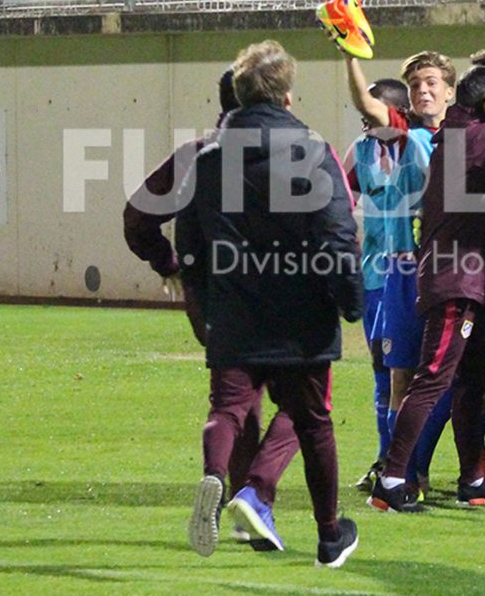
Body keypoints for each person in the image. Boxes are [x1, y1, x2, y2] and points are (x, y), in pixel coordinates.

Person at [176, 40, 362, 567]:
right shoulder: (311, 150)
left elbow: (188, 242)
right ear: (286, 94)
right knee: (312, 423)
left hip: (235, 311)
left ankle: (215, 476)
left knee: (228, 410)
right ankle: (330, 534)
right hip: (302, 317)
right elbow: (336, 234)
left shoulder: (208, 159)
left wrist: (204, 304)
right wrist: (350, 299)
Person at [124, 69, 299, 547]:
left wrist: (169, 262)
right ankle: (256, 495)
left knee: (235, 402)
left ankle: (226, 483)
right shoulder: (285, 152)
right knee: (305, 402)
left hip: (210, 304)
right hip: (276, 298)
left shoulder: (193, 156)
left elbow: (136, 217)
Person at [368, 65, 485, 512]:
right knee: (433, 377)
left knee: (472, 377)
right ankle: (393, 477)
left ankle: (473, 477)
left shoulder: (458, 132)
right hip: (457, 278)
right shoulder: (480, 138)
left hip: (460, 274)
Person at [345, 78, 412, 490]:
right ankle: (387, 459)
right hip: (374, 276)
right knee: (381, 368)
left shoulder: (420, 149)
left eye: (375, 115)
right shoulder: (360, 151)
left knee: (419, 373)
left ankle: (411, 463)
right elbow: (344, 202)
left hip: (413, 274)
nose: (367, 125)